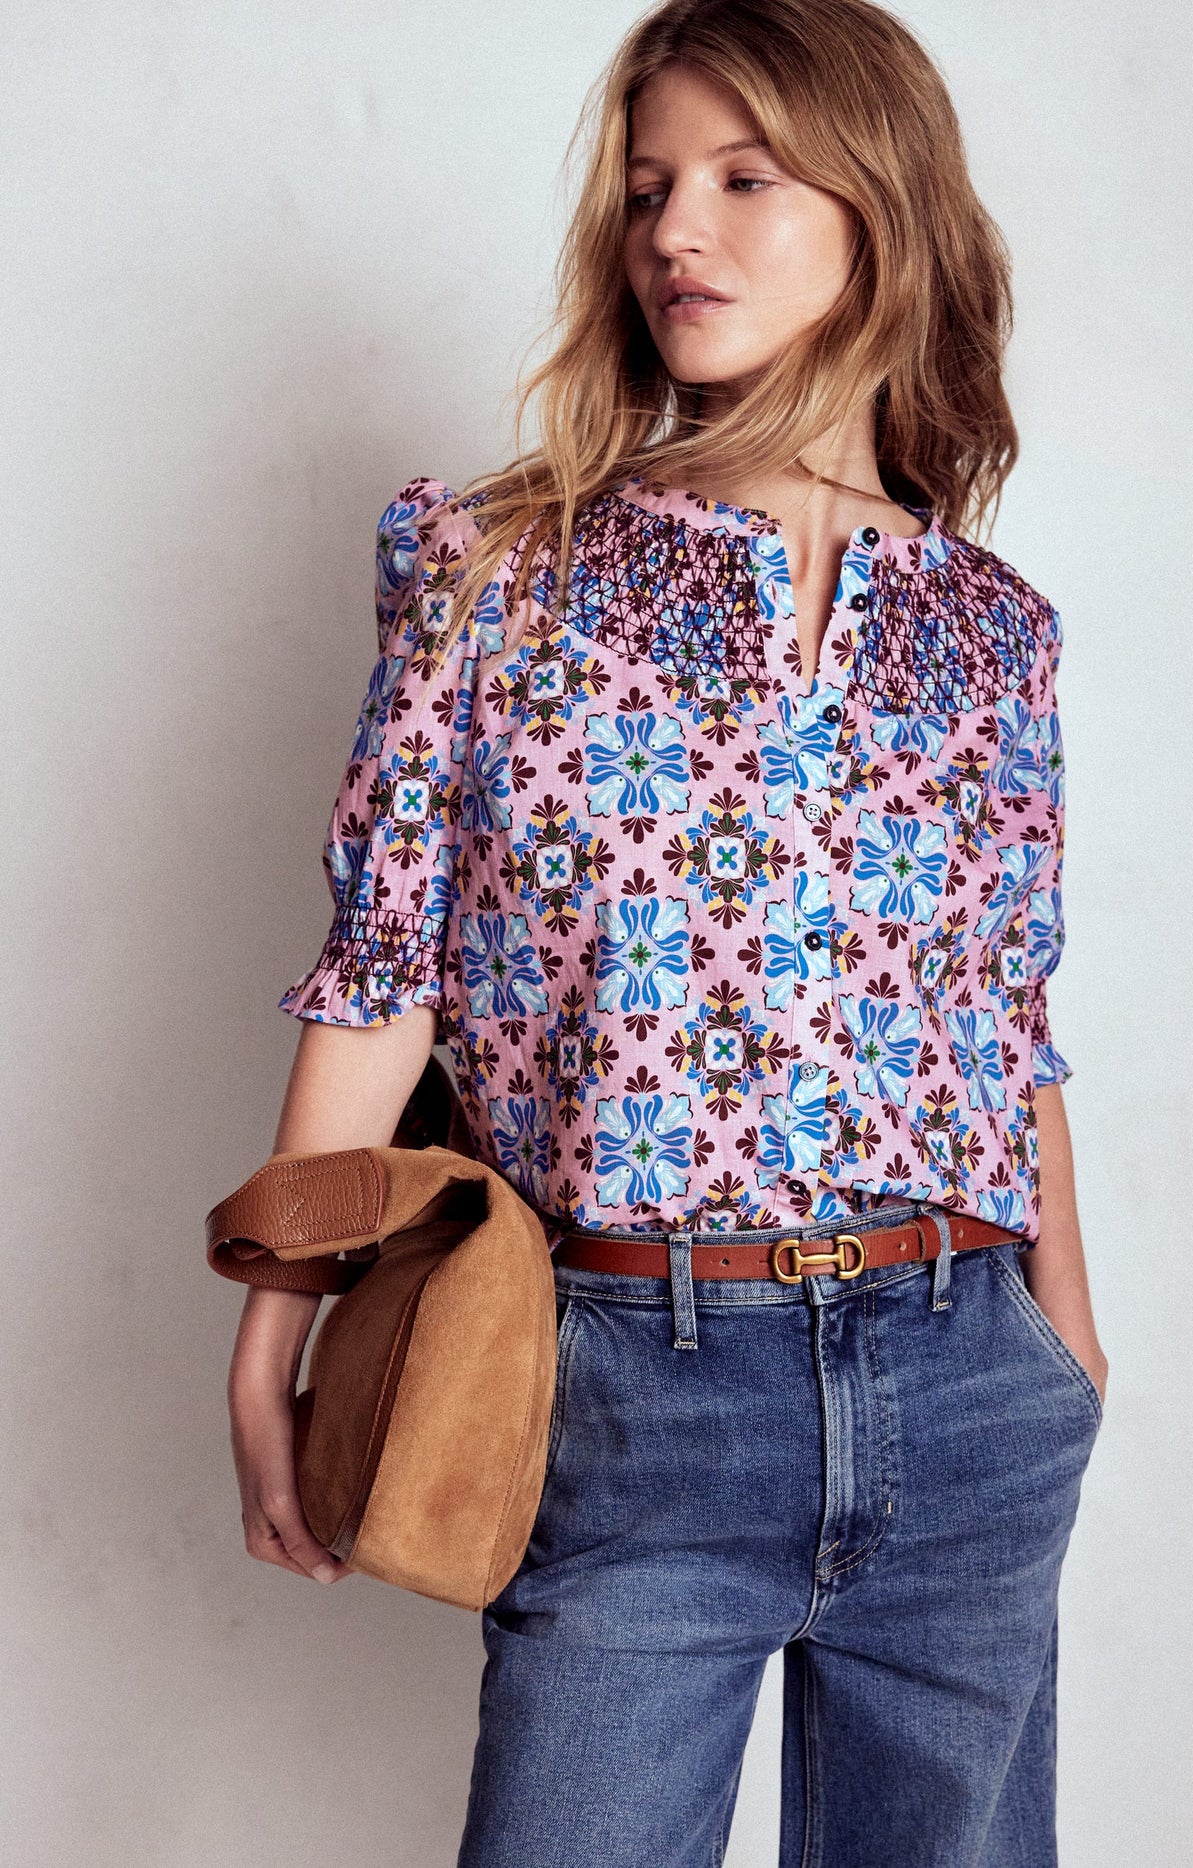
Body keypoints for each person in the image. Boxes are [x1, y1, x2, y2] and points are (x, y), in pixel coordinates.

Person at [226, 1, 1108, 1861]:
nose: (672, 233)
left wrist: (1068, 1341)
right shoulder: (495, 567)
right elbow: (387, 965)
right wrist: (273, 1323)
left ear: (879, 208)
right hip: (635, 1385)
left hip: (966, 1379)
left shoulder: (991, 628)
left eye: (741, 177)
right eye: (644, 189)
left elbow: (1006, 1014)